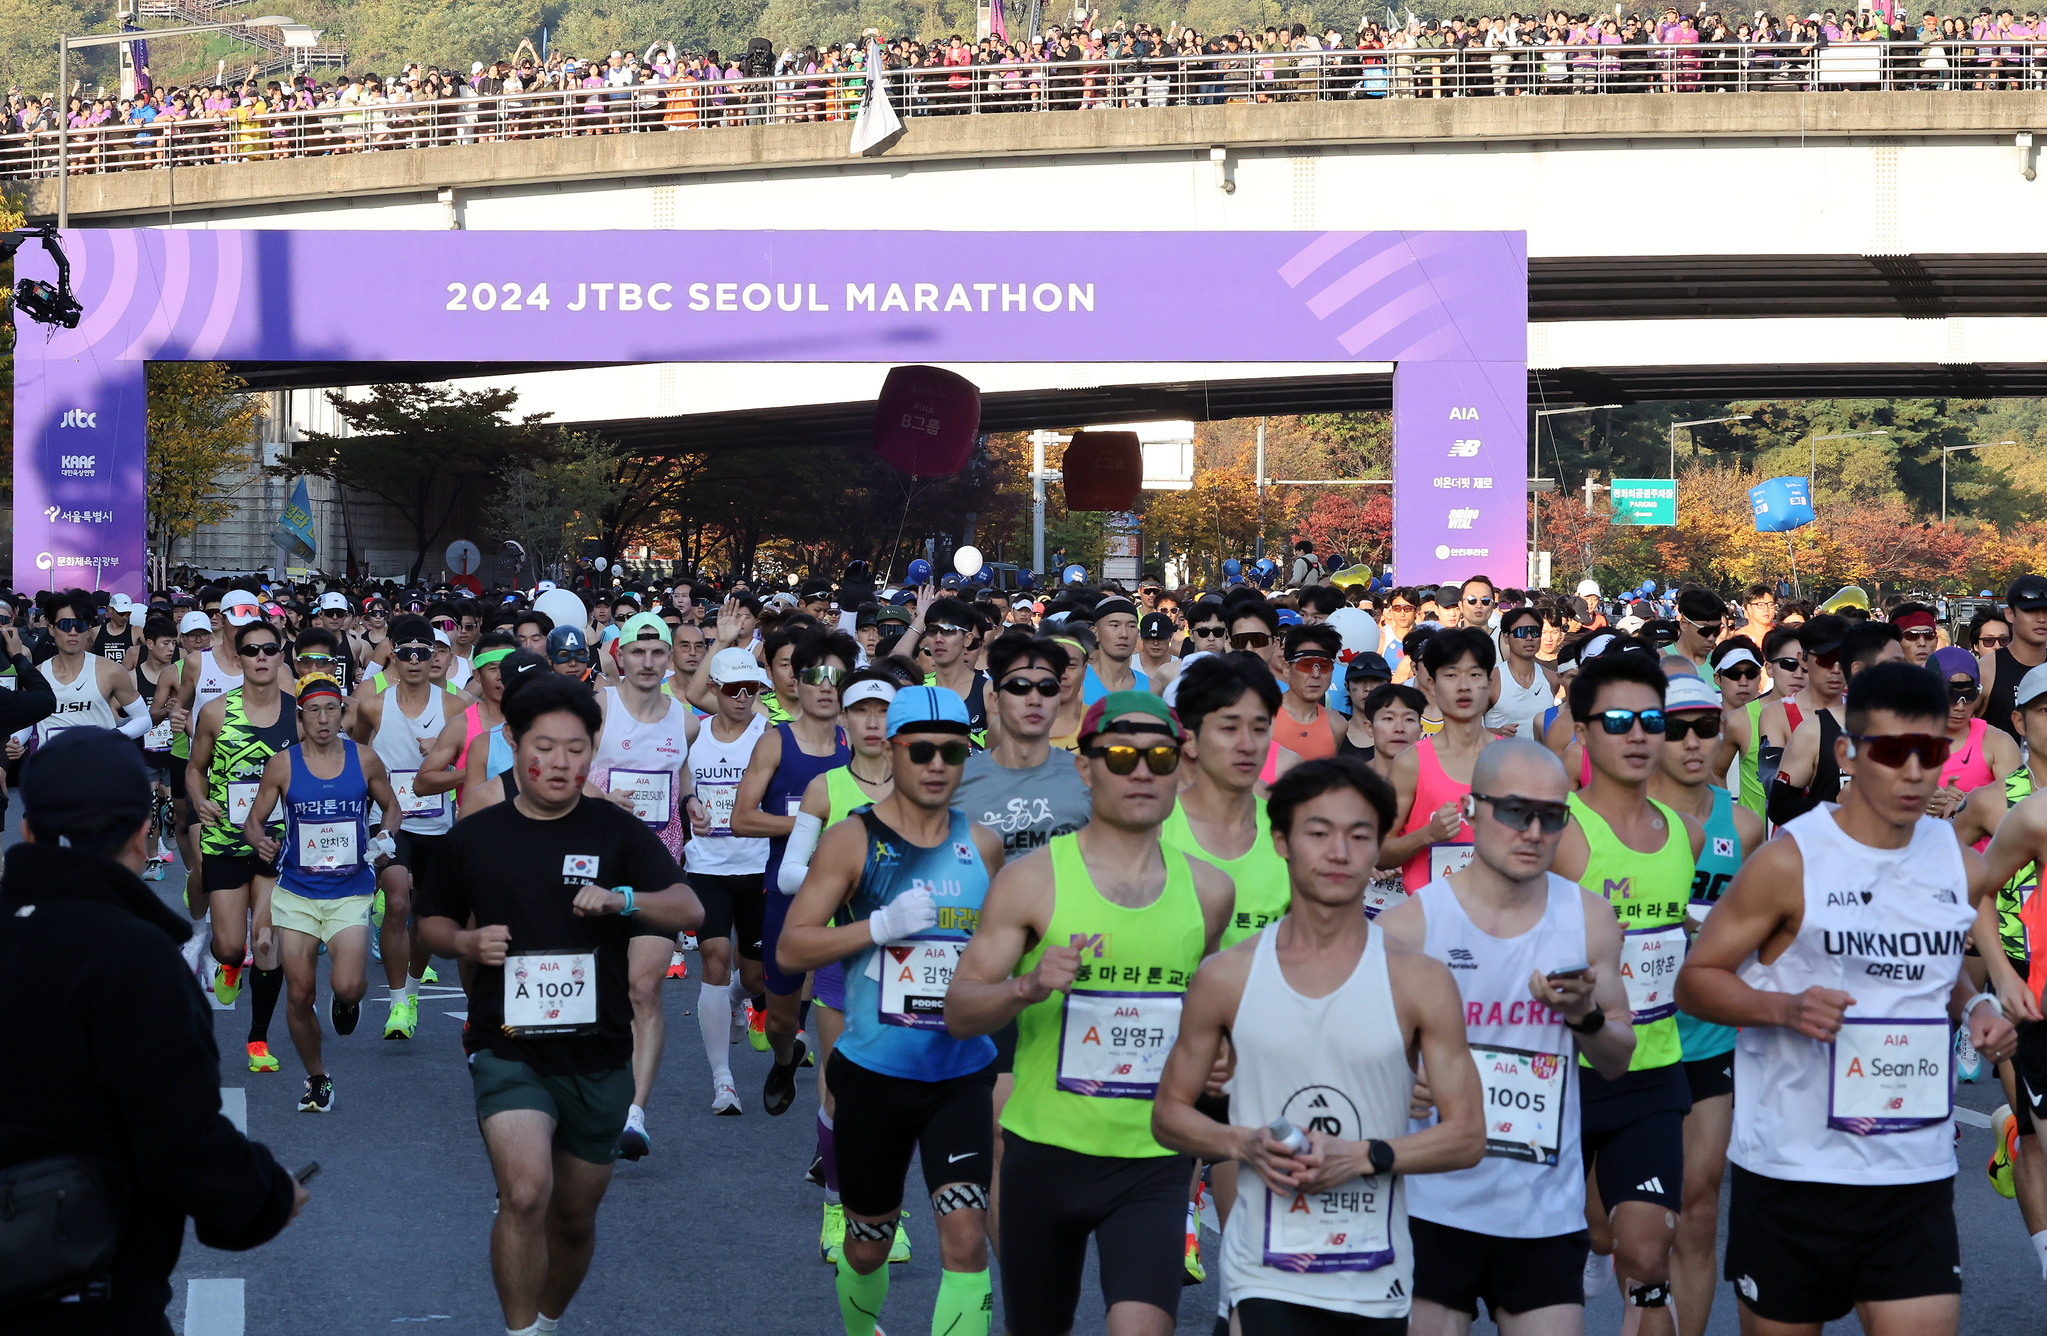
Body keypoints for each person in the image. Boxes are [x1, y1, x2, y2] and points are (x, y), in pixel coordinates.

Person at [1677, 660, 2017, 1336]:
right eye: (1892, 751)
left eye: (1930, 752)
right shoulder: (1789, 861)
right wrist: (1782, 1008)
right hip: (1793, 1170)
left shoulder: (1958, 861)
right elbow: (1696, 980)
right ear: (1847, 752)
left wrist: (1976, 1007)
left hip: (1913, 1170)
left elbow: (1937, 966)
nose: (1915, 771)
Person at [1155, 756, 1489, 1335]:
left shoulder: (1421, 981)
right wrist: (1244, 1143)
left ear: (1379, 845)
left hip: (1375, 1280)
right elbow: (1168, 1116)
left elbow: (1467, 1135)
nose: (1339, 852)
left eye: (1360, 835)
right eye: (1318, 832)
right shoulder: (1227, 977)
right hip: (1261, 1273)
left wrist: (1365, 1157)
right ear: (1281, 841)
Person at [415, 674, 703, 1336]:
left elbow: (687, 905)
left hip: (599, 1053)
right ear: (513, 745)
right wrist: (463, 938)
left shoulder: (616, 831)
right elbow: (429, 921)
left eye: (577, 748)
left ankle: (544, 1319)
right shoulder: (476, 835)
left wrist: (623, 899)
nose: (562, 762)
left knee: (572, 1218)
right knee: (523, 1193)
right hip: (506, 1044)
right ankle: (521, 1333)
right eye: (546, 746)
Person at [945, 692, 1235, 1336]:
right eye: (1121, 756)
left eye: (1160, 757)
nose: (1141, 772)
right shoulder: (1032, 881)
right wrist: (1025, 990)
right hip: (1044, 1157)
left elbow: (1210, 1014)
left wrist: (1221, 1055)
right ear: (1086, 768)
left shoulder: (1210, 891)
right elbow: (960, 1011)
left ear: (1181, 769)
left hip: (1154, 1157)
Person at [0, 727, 306, 1334]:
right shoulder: (135, 958)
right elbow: (178, 1136)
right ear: (143, 834)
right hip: (86, 1285)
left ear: (28, 831)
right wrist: (264, 1196)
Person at [1376, 738, 1638, 1336]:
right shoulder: (1410, 926)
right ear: (1472, 809)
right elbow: (1351, 1057)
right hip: (1431, 1207)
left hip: (1542, 1209)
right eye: (1517, 812)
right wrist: (1398, 1075)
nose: (1535, 831)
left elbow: (1619, 1058)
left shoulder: (1588, 919)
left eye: (1553, 816)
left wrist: (1585, 1018)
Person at [778, 684, 1006, 1336]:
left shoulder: (983, 846)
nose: (937, 764)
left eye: (953, 751)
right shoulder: (851, 841)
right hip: (874, 1074)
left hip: (960, 1074)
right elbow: (793, 945)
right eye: (923, 750)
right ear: (892, 749)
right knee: (868, 1242)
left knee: (964, 1238)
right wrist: (877, 927)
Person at [1549, 648, 1704, 1332]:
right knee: (1584, 1243)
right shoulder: (1558, 835)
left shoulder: (1685, 834)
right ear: (1579, 731)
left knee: (1645, 1257)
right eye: (1616, 721)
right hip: (1559, 1074)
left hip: (1650, 1071)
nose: (1639, 734)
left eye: (1651, 719)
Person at [949, 636, 1092, 1254]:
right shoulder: (957, 777)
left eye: (1047, 687)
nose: (1035, 699)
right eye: (1019, 686)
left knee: (1079, 1141)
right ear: (992, 696)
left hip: (1080, 976)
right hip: (995, 974)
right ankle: (1022, 1284)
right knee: (1003, 1133)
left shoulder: (1088, 775)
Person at [773, 670, 908, 1262]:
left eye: (884, 712)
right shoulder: (826, 789)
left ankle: (886, 1213)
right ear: (845, 722)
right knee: (842, 1089)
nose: (874, 723)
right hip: (842, 955)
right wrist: (856, 884)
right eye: (863, 712)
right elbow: (788, 874)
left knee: (902, 1095)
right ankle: (837, 1209)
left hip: (911, 959)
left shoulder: (922, 783)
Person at [1648, 673, 1764, 1336]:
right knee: (1628, 1223)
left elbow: (1761, 920)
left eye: (1705, 726)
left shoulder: (1743, 825)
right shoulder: (1617, 820)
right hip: (1629, 1034)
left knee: (1696, 1204)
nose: (1693, 742)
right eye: (1674, 728)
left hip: (1707, 1032)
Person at [238, 672, 403, 1112]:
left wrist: (385, 836)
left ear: (342, 713)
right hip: (296, 891)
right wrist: (259, 840)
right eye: (314, 710)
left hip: (350, 890)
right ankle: (317, 1077)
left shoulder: (364, 760)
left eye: (332, 709)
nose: (324, 719)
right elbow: (254, 820)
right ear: (301, 716)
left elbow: (391, 806)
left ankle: (348, 1004)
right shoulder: (283, 764)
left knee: (349, 986)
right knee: (298, 993)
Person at [585, 611, 703, 1160]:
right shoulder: (600, 708)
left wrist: (690, 800)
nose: (650, 663)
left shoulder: (685, 720)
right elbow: (563, 767)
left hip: (658, 866)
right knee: (597, 987)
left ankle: (634, 1113)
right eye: (638, 652)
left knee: (645, 988)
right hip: (597, 860)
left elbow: (680, 770)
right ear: (620, 656)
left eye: (659, 653)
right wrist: (601, 798)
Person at [732, 627, 855, 1112]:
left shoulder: (859, 745)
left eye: (836, 677)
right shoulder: (774, 744)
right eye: (815, 676)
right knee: (782, 1022)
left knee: (844, 1023)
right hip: (787, 896)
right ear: (796, 685)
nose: (825, 686)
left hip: (848, 899)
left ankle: (838, 1134)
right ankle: (785, 1059)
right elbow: (741, 819)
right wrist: (807, 824)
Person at [188, 616, 299, 1076]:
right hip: (225, 841)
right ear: (237, 657)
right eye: (250, 650)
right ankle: (228, 965)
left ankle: (258, 1038)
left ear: (280, 656)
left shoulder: (299, 714)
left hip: (279, 845)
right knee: (232, 946)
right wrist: (197, 799)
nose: (260, 658)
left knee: (267, 943)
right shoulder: (215, 712)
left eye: (268, 650)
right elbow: (195, 768)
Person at [1968, 661, 2047, 1302]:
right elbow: (1969, 881)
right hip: (2030, 984)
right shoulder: (2010, 806)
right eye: (2044, 709)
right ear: (2020, 721)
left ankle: (2011, 1126)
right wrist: (1996, 972)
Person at [350, 615, 467, 1039]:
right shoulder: (373, 706)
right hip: (390, 823)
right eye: (406, 652)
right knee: (397, 901)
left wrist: (445, 755)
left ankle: (414, 989)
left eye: (424, 651)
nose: (415, 659)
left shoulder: (457, 706)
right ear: (392, 656)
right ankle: (398, 1003)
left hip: (439, 826)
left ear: (436, 655)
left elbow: (477, 760)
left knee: (427, 915)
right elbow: (358, 750)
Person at [683, 646, 773, 1109]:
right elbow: (679, 781)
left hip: (758, 865)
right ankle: (723, 1081)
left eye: (751, 689)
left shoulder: (769, 735)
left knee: (755, 977)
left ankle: (742, 997)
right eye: (733, 689)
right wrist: (688, 803)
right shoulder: (691, 736)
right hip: (708, 866)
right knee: (714, 960)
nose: (742, 698)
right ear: (714, 690)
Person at [1383, 629, 1498, 893]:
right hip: (1428, 921)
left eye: (1475, 674)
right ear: (1432, 685)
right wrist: (1428, 835)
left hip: (1496, 919)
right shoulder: (1410, 764)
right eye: (1451, 675)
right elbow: (1379, 851)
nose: (1464, 685)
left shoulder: (1512, 760)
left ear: (1490, 683)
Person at [1771, 620, 1905, 826]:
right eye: (1893, 665)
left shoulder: (1910, 729)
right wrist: (1835, 805)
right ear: (1859, 671)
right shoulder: (1814, 731)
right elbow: (1779, 808)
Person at [34, 588, 148, 747]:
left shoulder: (111, 671)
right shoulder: (38, 674)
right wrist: (16, 741)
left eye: (79, 625)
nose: (72, 632)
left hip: (101, 765)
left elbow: (143, 719)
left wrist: (115, 735)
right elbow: (26, 722)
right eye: (65, 625)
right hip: (53, 767)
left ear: (88, 631)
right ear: (52, 629)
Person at [1982, 574, 2047, 744]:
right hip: (2003, 769)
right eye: (2031, 610)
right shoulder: (1986, 671)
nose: (2041, 619)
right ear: (2010, 614)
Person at [1271, 623, 1346, 767]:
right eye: (1306, 665)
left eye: (1324, 666)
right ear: (1287, 669)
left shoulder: (1337, 725)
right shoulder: (1266, 717)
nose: (1316, 674)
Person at [1487, 603, 1561, 742]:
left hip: (1539, 760)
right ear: (1505, 638)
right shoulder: (1493, 680)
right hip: (1500, 760)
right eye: (1521, 632)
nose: (1529, 638)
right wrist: (1495, 733)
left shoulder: (1552, 679)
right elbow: (1469, 727)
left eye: (1535, 632)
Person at [1082, 596, 1150, 704]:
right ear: (1095, 632)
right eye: (1114, 625)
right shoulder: (1077, 684)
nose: (1124, 634)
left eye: (1131, 626)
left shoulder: (1152, 689)